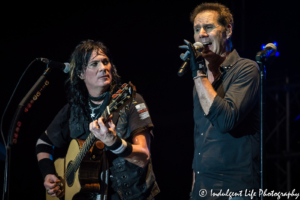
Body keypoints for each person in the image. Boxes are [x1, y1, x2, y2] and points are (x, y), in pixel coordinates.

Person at [36, 40, 160, 200]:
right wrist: (48, 174)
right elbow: (43, 143)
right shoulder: (73, 110)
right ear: (80, 73)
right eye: (94, 64)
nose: (103, 68)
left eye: (105, 61)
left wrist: (114, 142)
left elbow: (143, 157)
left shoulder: (131, 101)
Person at [180, 3, 260, 200]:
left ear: (228, 30)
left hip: (234, 190)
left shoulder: (246, 69)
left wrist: (198, 73)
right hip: (202, 189)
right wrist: (194, 187)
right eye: (197, 29)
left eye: (208, 27)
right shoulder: (200, 80)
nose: (201, 34)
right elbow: (200, 136)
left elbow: (225, 121)